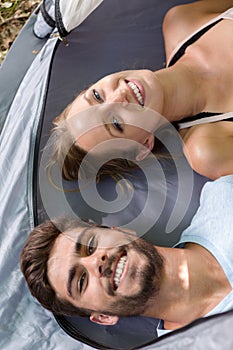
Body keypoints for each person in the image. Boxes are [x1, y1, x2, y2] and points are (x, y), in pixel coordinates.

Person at [20, 175, 233, 335]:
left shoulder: (225, 196)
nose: (96, 262)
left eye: (91, 245)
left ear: (120, 231)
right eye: (81, 280)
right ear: (104, 317)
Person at [50, 0, 233, 182]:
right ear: (144, 145)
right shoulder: (208, 150)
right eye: (115, 123)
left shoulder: (181, 22)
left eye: (97, 96)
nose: (118, 96)